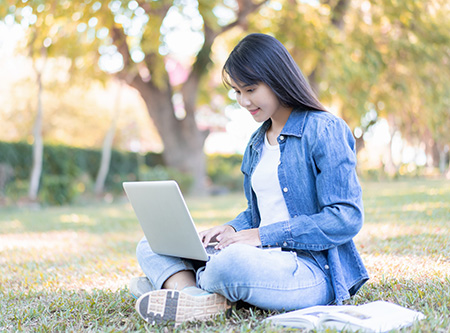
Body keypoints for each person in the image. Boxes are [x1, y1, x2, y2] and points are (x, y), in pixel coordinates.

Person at [130, 33, 369, 326]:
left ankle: (176, 286)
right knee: (151, 244)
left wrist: (261, 236)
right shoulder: (257, 143)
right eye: (237, 92)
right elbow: (259, 213)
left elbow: (346, 217)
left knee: (230, 262)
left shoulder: (324, 129)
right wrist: (229, 229)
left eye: (251, 89)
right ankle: (195, 297)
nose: (243, 101)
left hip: (310, 269)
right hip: (261, 257)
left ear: (278, 78)